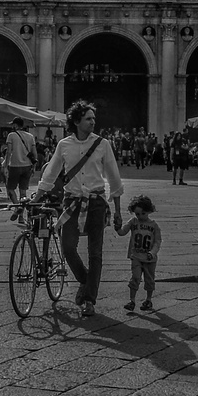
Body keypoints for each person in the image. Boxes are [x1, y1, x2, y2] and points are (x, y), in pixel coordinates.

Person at [31, 100, 124, 318]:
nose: (93, 122)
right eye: (88, 119)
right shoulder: (64, 145)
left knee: (96, 253)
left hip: (96, 203)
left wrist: (118, 210)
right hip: (71, 202)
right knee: (68, 248)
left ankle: (89, 300)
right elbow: (50, 174)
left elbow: (114, 177)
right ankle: (85, 281)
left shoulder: (103, 144)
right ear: (76, 121)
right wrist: (37, 197)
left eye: (93, 118)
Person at [115, 194, 162, 312]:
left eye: (143, 213)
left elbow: (157, 241)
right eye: (137, 214)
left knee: (149, 279)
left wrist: (153, 252)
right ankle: (132, 300)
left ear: (149, 211)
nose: (140, 216)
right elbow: (122, 232)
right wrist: (117, 227)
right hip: (136, 256)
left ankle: (148, 299)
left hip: (149, 258)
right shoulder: (133, 222)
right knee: (135, 277)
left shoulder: (154, 226)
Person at [4, 118, 38, 201]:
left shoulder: (11, 135)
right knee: (23, 191)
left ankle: (16, 207)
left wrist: (5, 166)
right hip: (27, 166)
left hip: (14, 165)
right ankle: (22, 208)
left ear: (15, 125)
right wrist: (34, 166)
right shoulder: (30, 136)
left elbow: (8, 152)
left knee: (10, 188)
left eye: (13, 124)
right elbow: (34, 152)